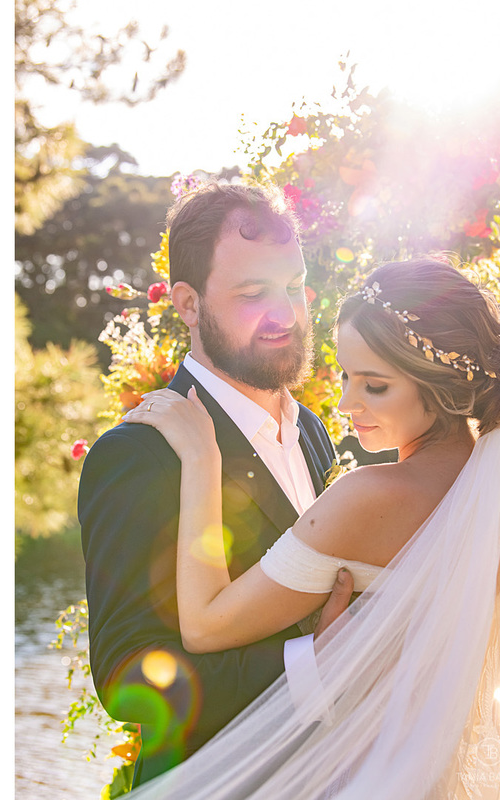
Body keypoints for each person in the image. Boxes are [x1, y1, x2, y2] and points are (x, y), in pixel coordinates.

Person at [123, 258, 500, 798]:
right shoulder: (499, 499)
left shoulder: (371, 496)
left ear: (438, 385)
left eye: (375, 386)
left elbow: (204, 626)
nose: (346, 404)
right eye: (346, 376)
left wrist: (202, 457)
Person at [77, 183, 353, 785]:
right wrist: (313, 667)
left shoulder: (311, 430)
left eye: (291, 285)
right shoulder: (139, 456)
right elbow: (127, 678)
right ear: (188, 303)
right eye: (253, 293)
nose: (284, 312)